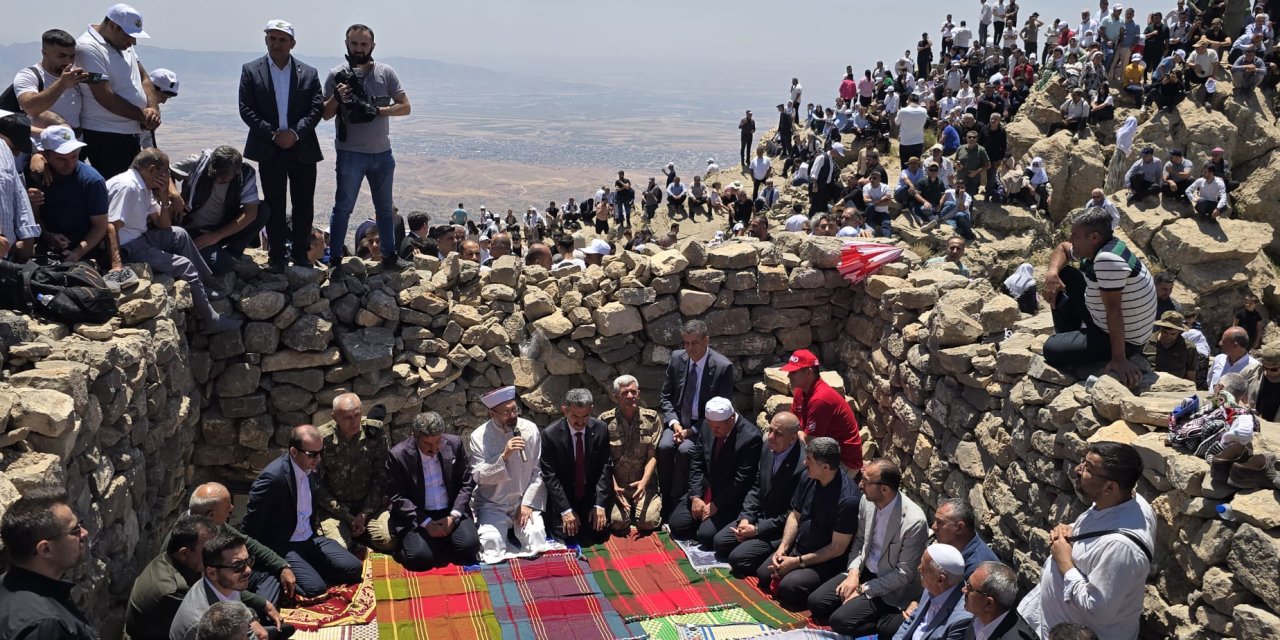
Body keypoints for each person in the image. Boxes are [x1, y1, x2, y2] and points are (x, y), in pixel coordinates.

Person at [1016, 442, 1155, 639]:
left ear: (1110, 487)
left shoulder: (1120, 549)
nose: (1077, 470)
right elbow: (1099, 525)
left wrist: (1064, 562)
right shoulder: (1124, 500)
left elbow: (1097, 607)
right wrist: (1071, 529)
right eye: (1083, 462)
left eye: (1088, 468)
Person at [108, 149, 241, 334]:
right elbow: (111, 227)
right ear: (153, 170)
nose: (167, 177)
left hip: (139, 238)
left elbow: (163, 225)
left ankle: (205, 283)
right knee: (184, 265)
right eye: (164, 172)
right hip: (128, 247)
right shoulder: (128, 187)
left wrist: (164, 197)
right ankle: (211, 319)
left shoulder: (144, 186)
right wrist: (116, 264)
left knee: (179, 234)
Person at [808, 459, 929, 638]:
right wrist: (853, 574)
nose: (860, 484)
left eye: (866, 481)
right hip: (864, 571)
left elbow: (904, 574)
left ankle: (883, 620)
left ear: (884, 489)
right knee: (816, 603)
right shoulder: (867, 501)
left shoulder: (914, 522)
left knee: (839, 621)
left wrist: (862, 590)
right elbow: (859, 541)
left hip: (889, 584)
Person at [323, 24, 411, 269]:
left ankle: (390, 256)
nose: (359, 49)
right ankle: (336, 260)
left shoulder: (385, 73)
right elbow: (326, 114)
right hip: (350, 153)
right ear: (346, 44)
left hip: (382, 153)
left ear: (372, 46)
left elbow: (405, 106)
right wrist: (337, 97)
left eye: (363, 44)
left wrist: (377, 110)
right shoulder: (336, 75)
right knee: (343, 208)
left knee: (384, 209)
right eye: (354, 44)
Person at [239, 19, 325, 271]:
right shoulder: (251, 70)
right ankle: (276, 256)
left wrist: (295, 134)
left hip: (302, 149)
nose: (276, 44)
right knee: (274, 204)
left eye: (282, 39)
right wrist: (273, 134)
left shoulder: (308, 73)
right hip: (270, 148)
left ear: (292, 43)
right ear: (265, 39)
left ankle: (300, 254)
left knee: (303, 204)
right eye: (272, 38)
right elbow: (246, 108)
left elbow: (316, 107)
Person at [241, 425, 363, 598]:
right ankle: (282, 574)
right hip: (285, 544)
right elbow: (251, 525)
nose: (318, 458)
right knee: (315, 589)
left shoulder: (311, 467)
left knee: (353, 568)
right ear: (294, 452)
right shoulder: (273, 479)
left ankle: (307, 568)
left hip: (309, 538)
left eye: (321, 452)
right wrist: (266, 560)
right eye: (312, 454)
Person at [1041, 207, 1157, 387]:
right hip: (1103, 320)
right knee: (1064, 275)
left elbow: (1114, 310)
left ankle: (1070, 347)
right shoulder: (1102, 247)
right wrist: (1052, 273)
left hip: (1124, 339)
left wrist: (1119, 359)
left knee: (1051, 349)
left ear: (1094, 237)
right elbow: (1062, 248)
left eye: (1075, 236)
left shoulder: (1107, 260)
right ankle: (1069, 339)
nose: (1071, 240)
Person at [757, 437, 858, 611]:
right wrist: (783, 549)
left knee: (789, 589)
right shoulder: (808, 476)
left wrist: (797, 562)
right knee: (763, 574)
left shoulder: (847, 499)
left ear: (825, 467)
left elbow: (837, 548)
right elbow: (794, 516)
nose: (804, 463)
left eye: (809, 460)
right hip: (799, 548)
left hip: (825, 560)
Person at [469, 386, 556, 563]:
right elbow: (479, 476)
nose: (513, 416)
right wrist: (504, 456)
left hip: (521, 501)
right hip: (493, 504)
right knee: (491, 544)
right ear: (492, 413)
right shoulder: (478, 437)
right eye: (506, 412)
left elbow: (538, 471)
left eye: (515, 410)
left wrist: (528, 503)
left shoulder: (530, 429)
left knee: (536, 537)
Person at [658, 320, 736, 516]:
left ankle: (681, 501)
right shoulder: (677, 359)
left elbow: (722, 408)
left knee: (686, 451)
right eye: (686, 343)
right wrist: (674, 423)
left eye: (695, 343)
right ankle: (664, 498)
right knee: (664, 447)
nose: (689, 348)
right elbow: (666, 396)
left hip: (704, 426)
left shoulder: (722, 367)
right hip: (677, 422)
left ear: (706, 340)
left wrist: (692, 431)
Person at [385, 411, 481, 570]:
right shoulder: (398, 455)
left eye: (437, 441)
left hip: (449, 511)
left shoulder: (454, 444)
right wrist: (427, 523)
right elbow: (397, 496)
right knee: (420, 558)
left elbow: (466, 483)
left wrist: (453, 516)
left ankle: (440, 539)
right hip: (418, 514)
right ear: (414, 437)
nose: (434, 448)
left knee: (469, 548)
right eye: (427, 443)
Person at [27, 125, 126, 278]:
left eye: (74, 156)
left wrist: (76, 253)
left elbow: (100, 226)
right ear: (45, 155)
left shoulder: (92, 181)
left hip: (83, 247)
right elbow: (33, 218)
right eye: (61, 159)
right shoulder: (37, 175)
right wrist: (47, 235)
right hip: (45, 242)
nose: (69, 164)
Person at [715, 411, 806, 575]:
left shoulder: (802, 466)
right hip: (757, 517)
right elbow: (756, 487)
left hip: (776, 528)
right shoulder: (767, 448)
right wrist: (746, 518)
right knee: (720, 543)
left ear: (793, 438)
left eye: (778, 434)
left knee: (738, 559)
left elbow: (791, 514)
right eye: (770, 430)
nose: (771, 436)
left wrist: (756, 530)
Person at [76, 3, 159, 180]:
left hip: (131, 132)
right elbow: (105, 97)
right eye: (129, 36)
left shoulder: (124, 45)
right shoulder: (88, 48)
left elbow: (145, 78)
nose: (133, 42)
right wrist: (143, 116)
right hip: (106, 136)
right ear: (113, 26)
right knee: (119, 189)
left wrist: (153, 109)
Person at [0, 487, 97, 639]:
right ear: (45, 549)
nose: (84, 533)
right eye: (75, 530)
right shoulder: (46, 626)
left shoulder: (6, 584)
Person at [669, 397, 763, 549]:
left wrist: (717, 505)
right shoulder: (708, 425)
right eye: (711, 426)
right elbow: (697, 462)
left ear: (731, 419)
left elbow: (742, 481)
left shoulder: (750, 438)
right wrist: (695, 497)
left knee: (705, 536)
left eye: (718, 427)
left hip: (728, 497)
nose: (714, 431)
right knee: (677, 525)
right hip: (706, 489)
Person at [187, 483, 296, 606]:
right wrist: (262, 603)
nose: (232, 508)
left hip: (230, 576)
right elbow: (212, 585)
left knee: (270, 575)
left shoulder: (216, 523)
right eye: (227, 506)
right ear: (211, 515)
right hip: (218, 586)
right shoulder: (190, 540)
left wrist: (282, 566)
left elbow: (249, 543)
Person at [312, 393, 392, 552]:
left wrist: (364, 513)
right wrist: (346, 515)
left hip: (367, 506)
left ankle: (360, 533)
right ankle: (352, 538)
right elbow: (316, 486)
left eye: (357, 415)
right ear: (334, 417)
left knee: (388, 540)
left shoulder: (373, 433)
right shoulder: (322, 440)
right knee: (340, 549)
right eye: (347, 417)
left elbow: (380, 476)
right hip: (334, 511)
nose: (354, 421)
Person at [170, 146, 269, 275]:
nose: (217, 179)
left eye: (223, 178)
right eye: (214, 175)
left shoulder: (245, 174)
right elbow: (166, 172)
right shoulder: (198, 162)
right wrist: (175, 196)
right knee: (221, 267)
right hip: (192, 228)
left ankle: (233, 253)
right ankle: (215, 255)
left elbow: (251, 212)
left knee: (263, 209)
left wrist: (217, 236)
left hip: (222, 228)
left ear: (236, 172)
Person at [169, 532, 284, 640]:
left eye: (248, 561)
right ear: (212, 573)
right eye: (238, 566)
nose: (248, 570)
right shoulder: (202, 624)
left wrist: (251, 619)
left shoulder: (226, 584)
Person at [125, 514, 220, 640]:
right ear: (184, 553)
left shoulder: (168, 558)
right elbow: (210, 625)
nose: (214, 555)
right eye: (207, 551)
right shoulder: (174, 591)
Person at [539, 389, 614, 546]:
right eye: (575, 417)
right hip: (566, 496)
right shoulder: (550, 435)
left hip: (590, 494)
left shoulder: (601, 429)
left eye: (585, 416)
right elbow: (550, 476)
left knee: (598, 533)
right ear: (565, 410)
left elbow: (605, 468)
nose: (580, 422)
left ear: (590, 410)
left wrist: (599, 504)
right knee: (565, 533)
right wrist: (565, 510)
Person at [782, 349, 863, 473]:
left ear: (808, 372)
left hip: (843, 461)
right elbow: (792, 421)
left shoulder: (820, 399)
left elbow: (811, 441)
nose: (789, 376)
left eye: (793, 373)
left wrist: (791, 434)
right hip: (822, 450)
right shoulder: (801, 390)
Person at [600, 375, 662, 533]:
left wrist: (644, 483)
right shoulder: (605, 422)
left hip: (644, 483)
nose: (630, 396)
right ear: (615, 397)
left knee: (647, 523)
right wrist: (613, 486)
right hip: (618, 486)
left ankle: (646, 505)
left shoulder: (651, 419)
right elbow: (603, 460)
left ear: (639, 394)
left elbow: (653, 455)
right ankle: (625, 510)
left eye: (633, 392)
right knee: (617, 523)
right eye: (624, 393)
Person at [887, 544, 972, 639]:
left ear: (940, 579)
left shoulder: (961, 620)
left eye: (923, 567)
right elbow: (911, 621)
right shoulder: (932, 586)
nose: (919, 568)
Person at [11, 29, 83, 128]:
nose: (68, 61)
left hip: (76, 141)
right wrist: (62, 84)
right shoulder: (29, 75)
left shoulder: (75, 74)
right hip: (42, 141)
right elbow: (30, 107)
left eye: (72, 56)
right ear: (44, 53)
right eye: (62, 56)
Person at [0, 112, 41, 261]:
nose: (18, 154)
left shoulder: (5, 151)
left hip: (8, 254)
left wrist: (28, 237)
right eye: (16, 147)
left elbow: (19, 195)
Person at [963, 562, 1038, 640]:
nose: (964, 590)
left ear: (988, 603)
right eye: (966, 584)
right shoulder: (979, 619)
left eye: (970, 588)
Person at [1144, 311, 1198, 382]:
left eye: (1173, 334)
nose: (1168, 337)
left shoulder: (1189, 348)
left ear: (1179, 331)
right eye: (1165, 332)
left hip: (1175, 389)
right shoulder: (1145, 343)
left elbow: (1191, 376)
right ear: (1160, 328)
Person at [1208, 326, 1261, 391]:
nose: (1220, 343)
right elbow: (1209, 383)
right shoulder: (1219, 359)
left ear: (1235, 345)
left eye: (1224, 341)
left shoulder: (1254, 367)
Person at [809, 142, 845, 214]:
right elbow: (813, 172)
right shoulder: (822, 157)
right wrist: (815, 185)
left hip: (825, 187)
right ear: (834, 150)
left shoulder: (831, 159)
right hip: (818, 186)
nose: (838, 156)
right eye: (838, 154)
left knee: (823, 205)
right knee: (816, 206)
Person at [955, 131, 991, 198]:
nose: (972, 139)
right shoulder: (960, 148)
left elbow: (988, 165)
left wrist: (976, 172)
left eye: (974, 137)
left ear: (977, 139)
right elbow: (956, 160)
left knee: (969, 198)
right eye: (969, 137)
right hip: (961, 178)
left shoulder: (981, 150)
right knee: (958, 197)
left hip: (973, 179)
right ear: (966, 138)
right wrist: (957, 166)